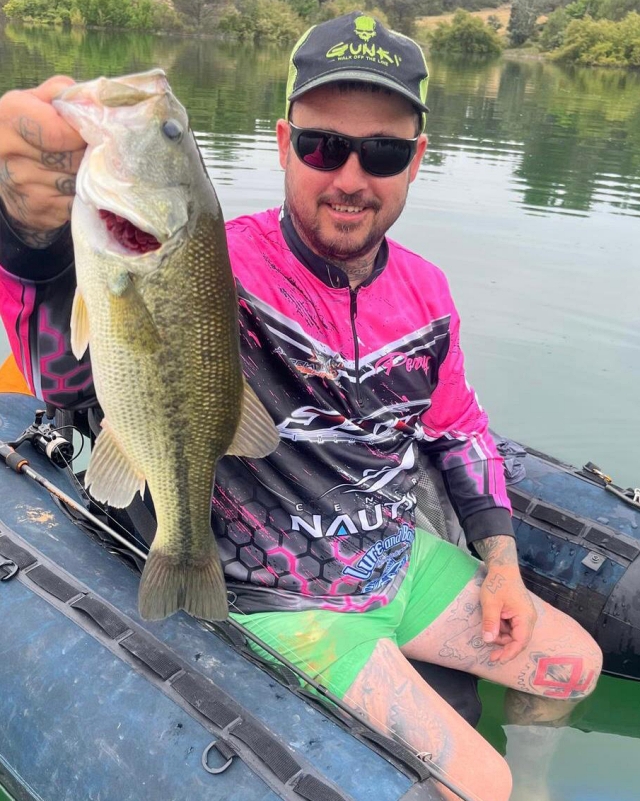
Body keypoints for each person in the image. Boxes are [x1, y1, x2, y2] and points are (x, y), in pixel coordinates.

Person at [0, 12, 602, 801]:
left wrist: (504, 565)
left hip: (395, 561)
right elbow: (69, 373)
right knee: (482, 786)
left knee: (574, 664)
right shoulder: (219, 261)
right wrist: (30, 235)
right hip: (280, 591)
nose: (350, 177)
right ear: (284, 143)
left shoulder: (427, 295)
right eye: (323, 146)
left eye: (382, 152)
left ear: (416, 160)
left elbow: (459, 433)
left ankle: (541, 784)